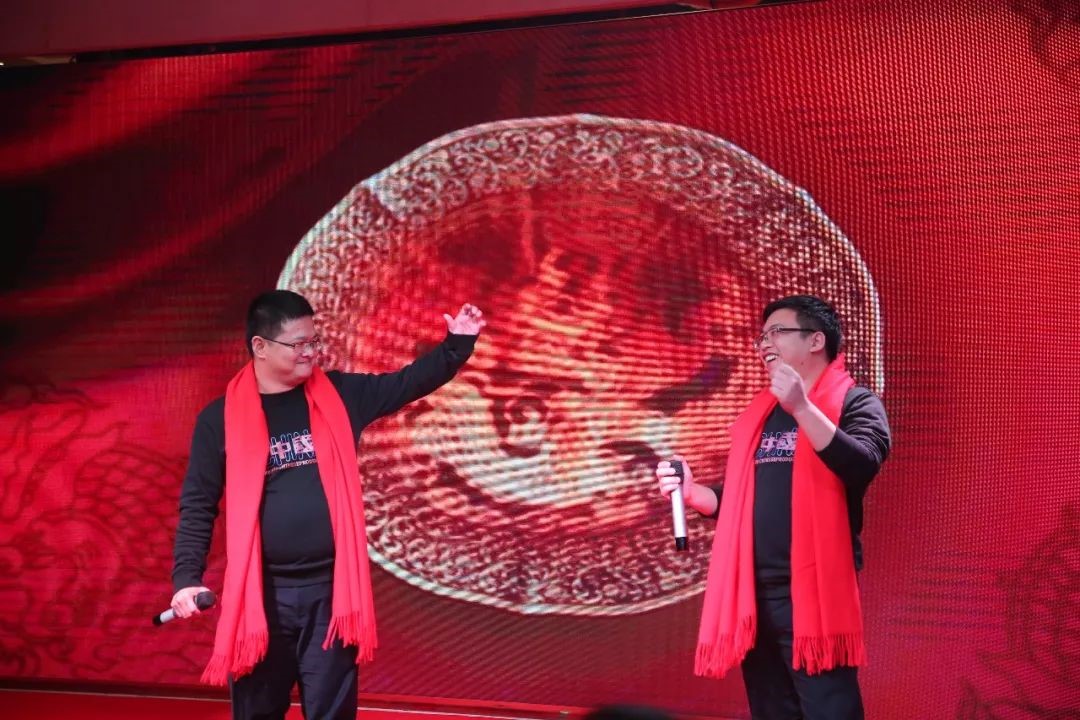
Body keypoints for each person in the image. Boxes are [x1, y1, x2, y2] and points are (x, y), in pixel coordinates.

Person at [169, 289, 484, 720]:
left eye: (313, 341)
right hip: (262, 598)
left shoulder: (340, 395)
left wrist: (456, 344)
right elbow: (198, 505)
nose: (310, 352)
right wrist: (186, 578)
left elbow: (408, 382)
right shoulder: (218, 419)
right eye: (298, 344)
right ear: (260, 346)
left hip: (332, 595)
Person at [656, 295, 890, 720]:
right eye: (762, 336)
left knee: (829, 710)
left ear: (816, 340)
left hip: (813, 595)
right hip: (754, 593)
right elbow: (746, 497)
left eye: (777, 332)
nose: (765, 343)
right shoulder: (760, 415)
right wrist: (693, 494)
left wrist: (802, 408)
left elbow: (861, 464)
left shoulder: (855, 402)